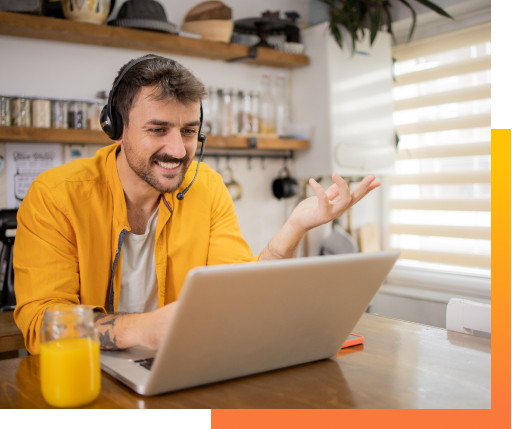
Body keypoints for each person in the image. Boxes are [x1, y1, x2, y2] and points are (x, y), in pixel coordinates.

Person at [13, 55, 380, 355]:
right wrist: (142, 329)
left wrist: (295, 227)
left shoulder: (205, 186)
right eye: (158, 130)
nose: (177, 150)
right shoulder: (55, 196)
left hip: (178, 367)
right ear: (117, 128)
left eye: (189, 131)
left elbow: (238, 295)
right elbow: (42, 324)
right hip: (84, 374)